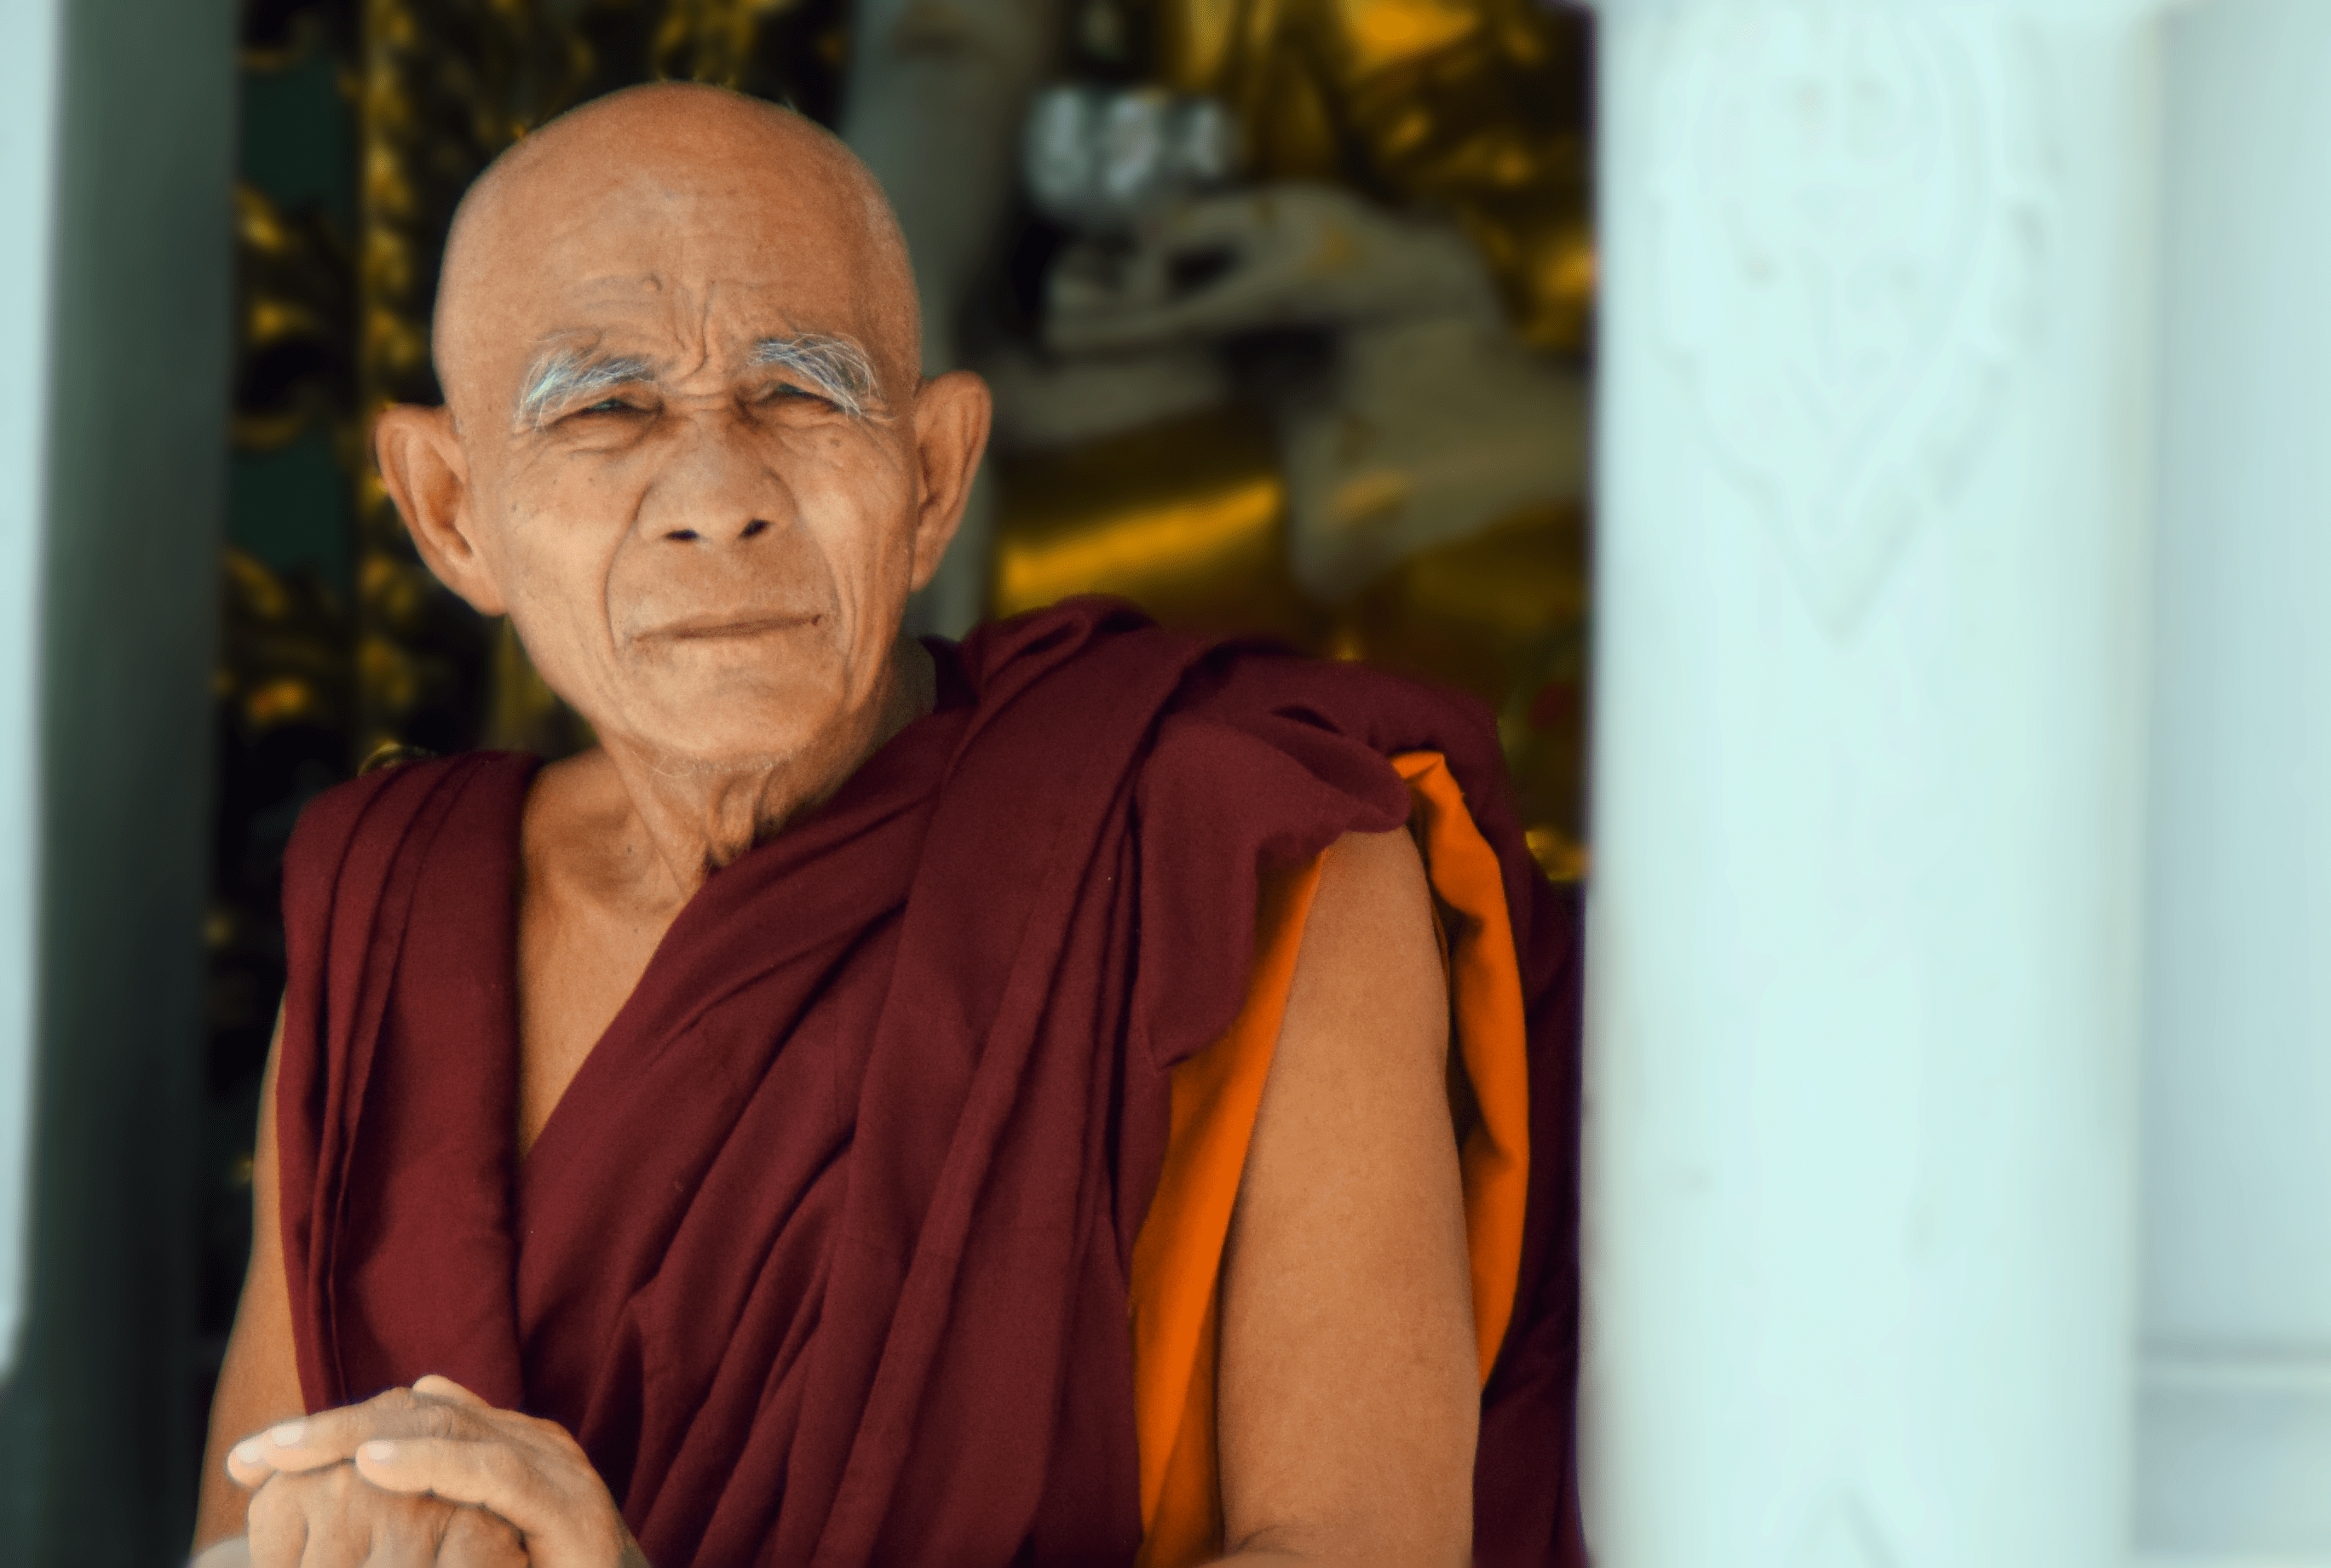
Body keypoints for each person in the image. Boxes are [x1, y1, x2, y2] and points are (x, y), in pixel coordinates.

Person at [190, 82, 1583, 1568]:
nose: (718, 499)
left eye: (800, 394)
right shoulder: (397, 928)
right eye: (605, 408)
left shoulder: (1245, 852)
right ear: (451, 508)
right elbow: (250, 1530)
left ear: (930, 479)